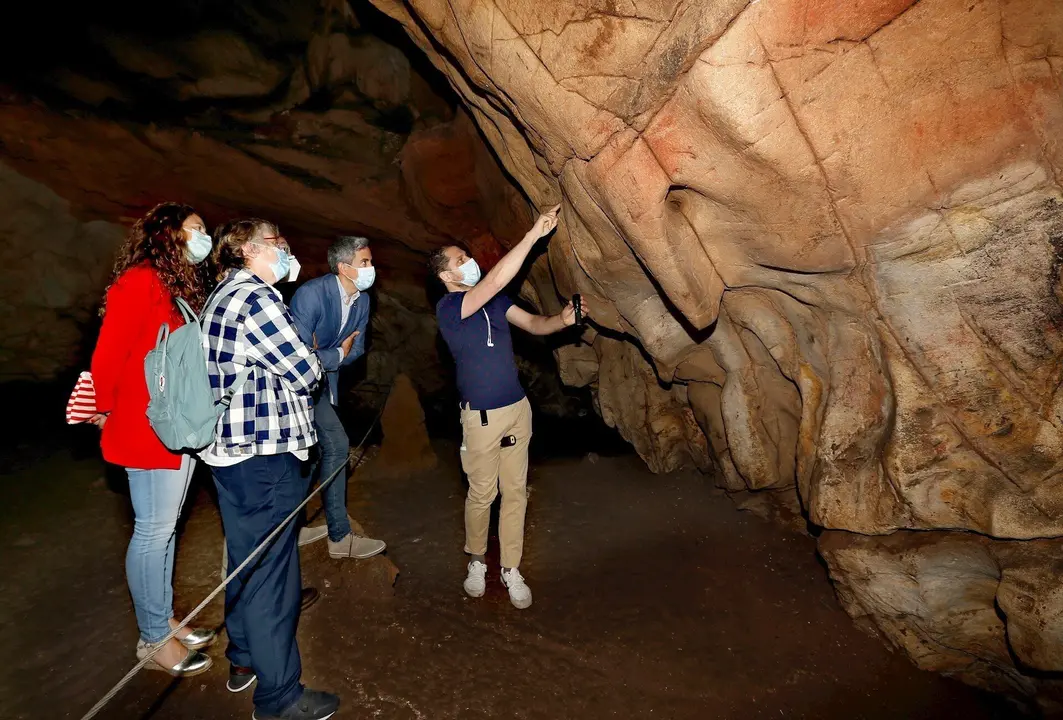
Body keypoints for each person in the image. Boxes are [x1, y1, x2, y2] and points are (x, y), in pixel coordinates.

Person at [202, 219, 339, 720]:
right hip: (264, 456)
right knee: (272, 576)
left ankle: (242, 660)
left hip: (232, 455)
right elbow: (305, 369)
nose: (286, 252)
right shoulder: (256, 298)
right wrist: (317, 354)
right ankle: (279, 697)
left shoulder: (220, 295)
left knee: (247, 561)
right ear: (249, 250)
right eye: (279, 244)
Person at [428, 204, 586, 609]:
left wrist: (563, 320)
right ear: (447, 276)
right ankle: (477, 561)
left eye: (467, 257)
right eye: (460, 261)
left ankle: (511, 568)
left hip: (518, 409)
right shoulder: (449, 310)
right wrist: (533, 235)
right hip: (480, 419)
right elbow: (496, 279)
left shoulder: (496, 304)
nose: (469, 263)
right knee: (482, 494)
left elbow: (535, 325)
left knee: (515, 492)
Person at [90, 201, 216, 676]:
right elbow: (110, 351)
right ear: (168, 235)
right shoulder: (140, 281)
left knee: (165, 529)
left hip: (172, 424)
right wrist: (103, 407)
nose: (203, 236)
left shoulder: (173, 284)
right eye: (195, 228)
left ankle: (162, 617)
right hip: (144, 425)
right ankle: (152, 639)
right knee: (152, 532)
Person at [289, 235, 387, 559]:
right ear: (344, 267)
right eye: (365, 263)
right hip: (293, 387)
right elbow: (299, 356)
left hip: (322, 383)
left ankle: (297, 528)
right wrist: (334, 353)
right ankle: (339, 538)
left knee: (314, 454)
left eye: (371, 261)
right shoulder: (311, 295)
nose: (371, 268)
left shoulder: (362, 300)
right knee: (336, 443)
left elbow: (357, 350)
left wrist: (328, 354)